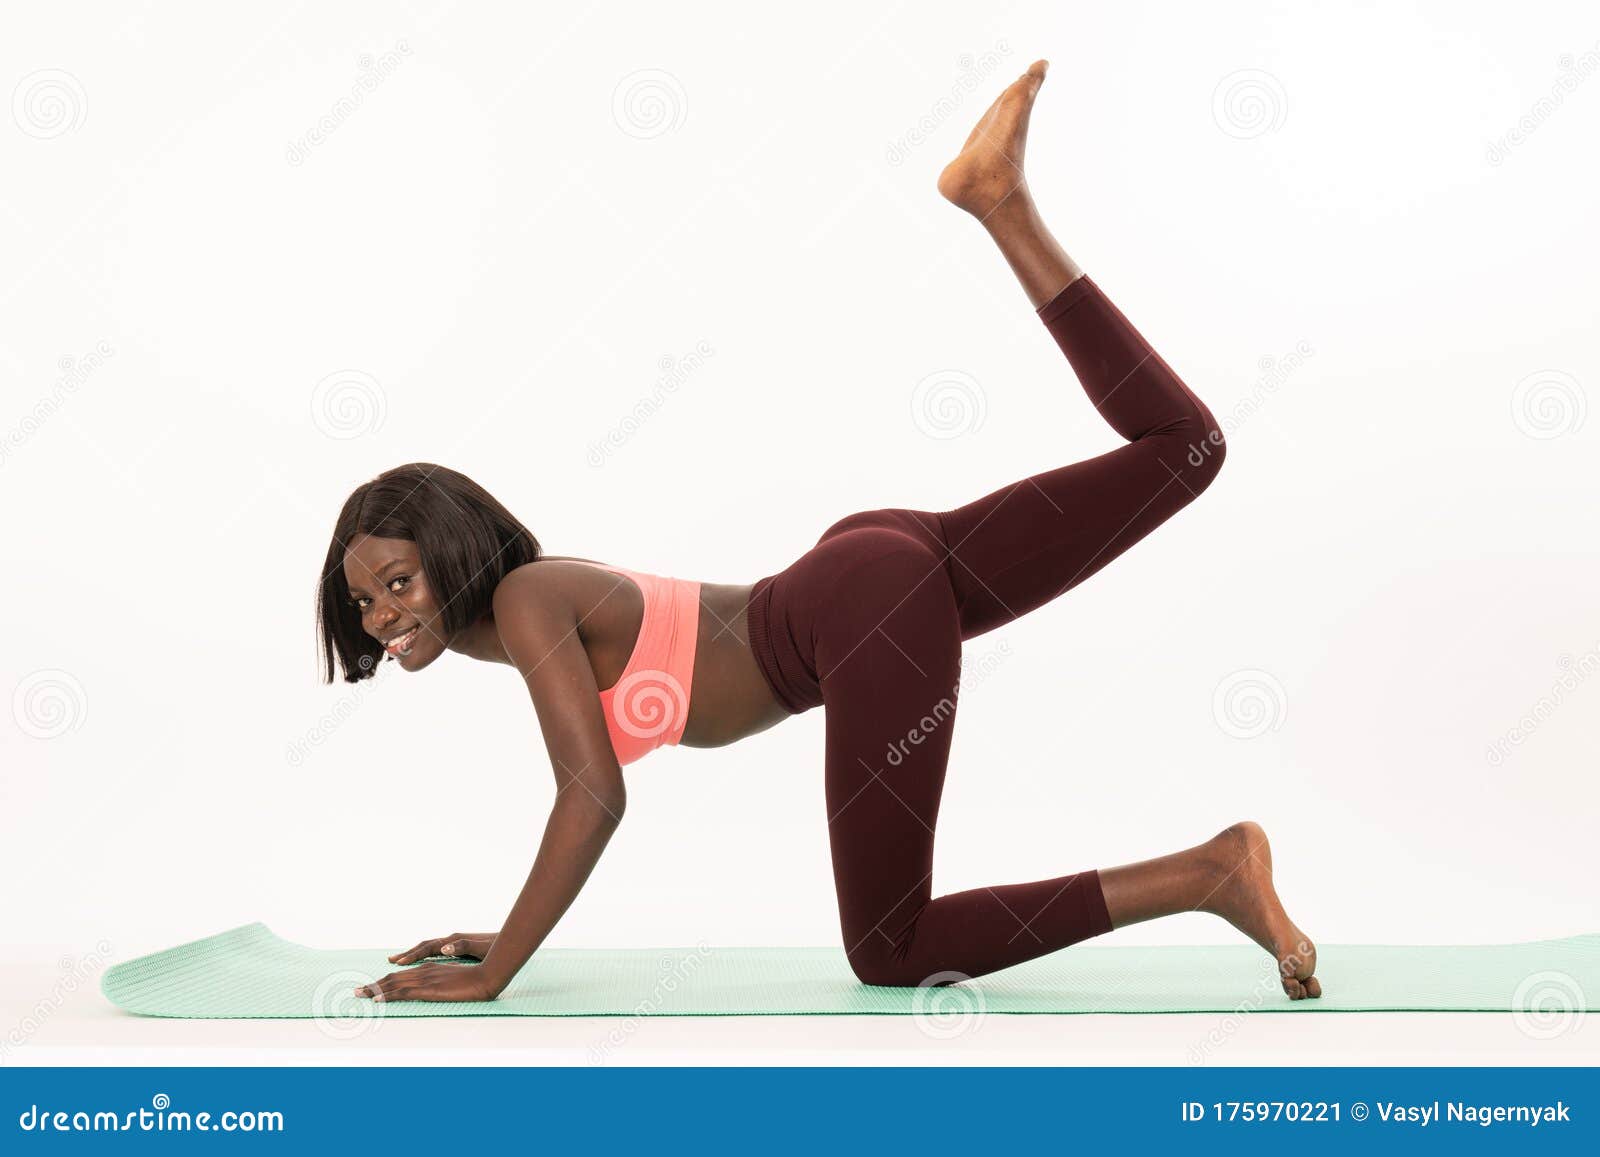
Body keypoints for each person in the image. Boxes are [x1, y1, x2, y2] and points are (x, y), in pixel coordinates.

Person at [324, 59, 1319, 1005]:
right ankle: (1000, 203)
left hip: (858, 608)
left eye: (399, 582)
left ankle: (1204, 872)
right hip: (866, 575)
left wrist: (498, 966)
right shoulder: (524, 612)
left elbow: (592, 796)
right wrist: (505, 938)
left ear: (452, 549)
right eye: (365, 598)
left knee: (891, 946)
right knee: (1183, 448)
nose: (381, 614)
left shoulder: (523, 596)